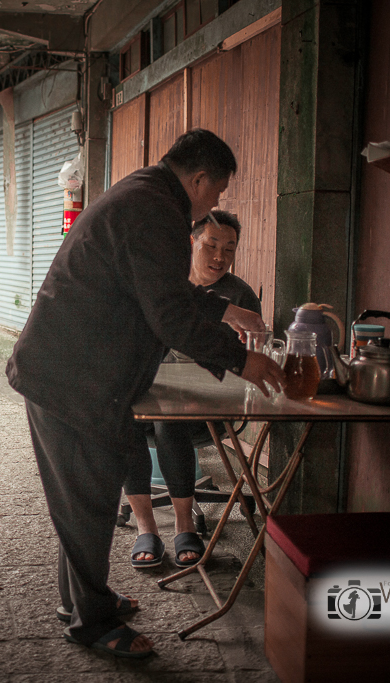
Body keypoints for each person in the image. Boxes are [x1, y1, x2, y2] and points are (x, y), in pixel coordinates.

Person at [5, 130, 283, 659]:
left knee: (79, 499)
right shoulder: (156, 211)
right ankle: (91, 624)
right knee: (86, 502)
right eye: (217, 193)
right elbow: (171, 315)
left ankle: (82, 602)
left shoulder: (144, 194)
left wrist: (225, 309)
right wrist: (243, 358)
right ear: (199, 179)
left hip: (68, 372)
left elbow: (159, 290)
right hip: (69, 378)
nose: (214, 206)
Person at [124, 210, 262, 569]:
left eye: (229, 249)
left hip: (207, 406)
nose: (219, 257)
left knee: (169, 422)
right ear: (192, 243)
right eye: (211, 245)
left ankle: (185, 526)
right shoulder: (164, 286)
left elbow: (247, 359)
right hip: (150, 396)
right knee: (123, 421)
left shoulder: (239, 296)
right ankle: (146, 527)